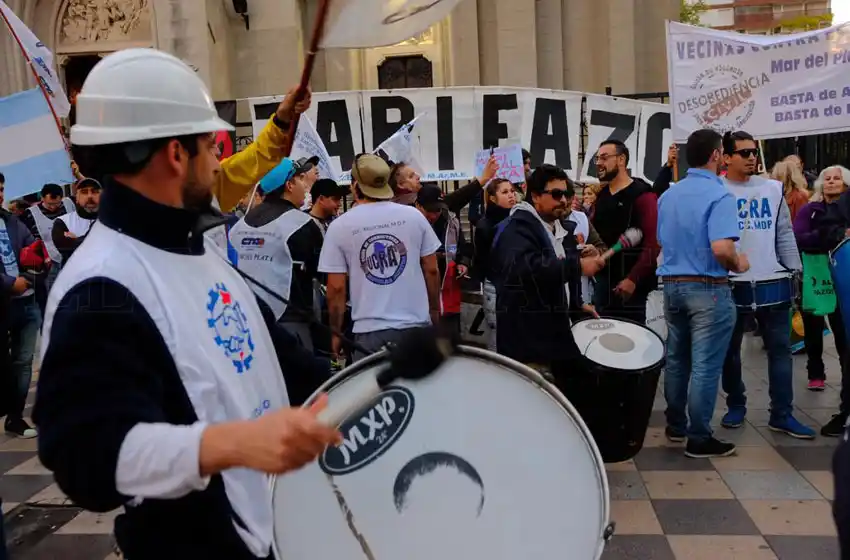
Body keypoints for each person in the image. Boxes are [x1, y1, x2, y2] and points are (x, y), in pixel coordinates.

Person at [32, 49, 341, 559]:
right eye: (209, 145)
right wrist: (232, 444)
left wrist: (386, 379)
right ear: (176, 154)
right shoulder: (101, 287)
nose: (219, 160)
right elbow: (84, 456)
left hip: (274, 532)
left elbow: (287, 363)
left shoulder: (199, 249)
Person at [657, 129, 749, 458]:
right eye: (723, 153)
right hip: (708, 287)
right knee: (706, 365)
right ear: (715, 156)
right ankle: (698, 436)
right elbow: (722, 247)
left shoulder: (669, 195)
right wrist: (739, 263)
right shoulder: (720, 195)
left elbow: (662, 240)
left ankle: (675, 423)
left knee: (678, 360)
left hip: (672, 285)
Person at [719, 130, 815, 439]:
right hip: (731, 283)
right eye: (743, 153)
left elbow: (784, 233)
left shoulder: (773, 189)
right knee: (730, 351)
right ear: (726, 156)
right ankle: (736, 405)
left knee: (780, 350)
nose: (751, 157)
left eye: (753, 152)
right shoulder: (717, 190)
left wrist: (794, 271)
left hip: (773, 279)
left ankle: (782, 414)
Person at [319, 154, 441, 361]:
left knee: (374, 391)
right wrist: (434, 311)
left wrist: (336, 332)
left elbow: (336, 288)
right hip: (416, 326)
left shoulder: (340, 226)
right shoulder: (413, 216)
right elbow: (431, 269)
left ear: (355, 185)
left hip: (369, 332)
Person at [490, 164, 605, 380]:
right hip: (529, 344)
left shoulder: (555, 226)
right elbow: (525, 269)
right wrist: (578, 266)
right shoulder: (516, 229)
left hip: (553, 337)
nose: (563, 200)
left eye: (566, 194)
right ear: (535, 196)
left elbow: (557, 277)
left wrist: (577, 305)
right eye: (555, 194)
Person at [229, 158, 325, 352]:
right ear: (289, 185)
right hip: (291, 326)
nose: (305, 186)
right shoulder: (302, 224)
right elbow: (321, 274)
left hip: (245, 325)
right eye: (300, 179)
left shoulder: (237, 228)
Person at [794, 166, 850, 434]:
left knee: (843, 334)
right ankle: (816, 372)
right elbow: (799, 237)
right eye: (826, 178)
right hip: (816, 278)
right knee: (813, 328)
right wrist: (827, 238)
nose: (831, 182)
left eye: (836, 178)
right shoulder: (810, 209)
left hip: (844, 282)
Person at [591, 139, 659, 323]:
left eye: (604, 158)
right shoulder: (602, 196)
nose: (598, 163)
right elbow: (596, 238)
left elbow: (654, 243)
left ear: (621, 159)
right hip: (603, 285)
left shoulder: (643, 194)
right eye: (597, 158)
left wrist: (633, 278)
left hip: (631, 289)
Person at [0, 179, 39, 438]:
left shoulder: (12, 220)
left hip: (26, 300)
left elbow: (33, 247)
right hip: (3, 302)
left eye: (1, 189)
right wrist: (9, 283)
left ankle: (15, 417)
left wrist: (29, 275)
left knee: (24, 361)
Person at [415, 184, 472, 336]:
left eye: (438, 210)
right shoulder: (409, 225)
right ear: (418, 205)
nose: (434, 215)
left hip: (448, 293)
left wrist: (463, 263)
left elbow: (463, 248)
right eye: (429, 211)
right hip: (421, 294)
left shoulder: (451, 221)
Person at [472, 178, 517, 351]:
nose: (511, 195)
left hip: (515, 286)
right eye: (505, 192)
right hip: (496, 287)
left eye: (512, 191)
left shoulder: (517, 219)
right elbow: (483, 260)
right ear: (492, 198)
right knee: (497, 337)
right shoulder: (486, 225)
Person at [52, 177, 101, 264]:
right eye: (84, 192)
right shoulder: (62, 222)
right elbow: (66, 249)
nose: (90, 196)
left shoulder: (112, 220)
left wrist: (77, 240)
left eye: (94, 191)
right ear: (76, 198)